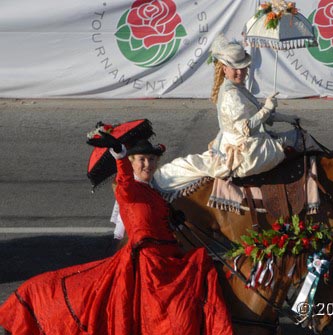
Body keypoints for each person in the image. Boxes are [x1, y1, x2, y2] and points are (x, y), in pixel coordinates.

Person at [0, 133, 233, 335]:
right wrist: (120, 157)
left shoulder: (154, 192)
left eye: (152, 160)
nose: (147, 165)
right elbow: (124, 181)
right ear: (132, 162)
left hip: (167, 257)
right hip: (149, 263)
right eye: (141, 159)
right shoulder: (128, 188)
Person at [154, 33, 302, 198]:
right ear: (224, 68)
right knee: (299, 139)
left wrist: (288, 118)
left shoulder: (238, 87)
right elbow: (245, 128)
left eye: (243, 67)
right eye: (235, 68)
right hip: (244, 150)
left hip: (246, 139)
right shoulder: (232, 94)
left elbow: (259, 113)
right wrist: (267, 109)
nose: (240, 72)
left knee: (294, 136)